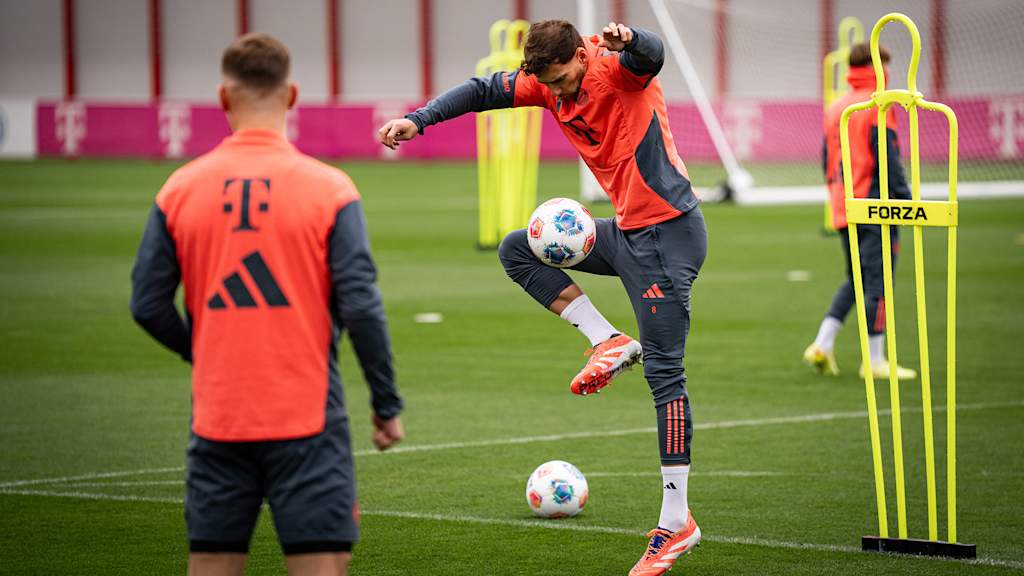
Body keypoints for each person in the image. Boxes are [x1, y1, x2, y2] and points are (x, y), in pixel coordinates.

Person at [377, 20, 704, 576]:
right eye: (547, 86)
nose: (556, 95)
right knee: (517, 250)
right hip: (627, 235)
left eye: (561, 81)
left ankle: (677, 523)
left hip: (669, 237)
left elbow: (652, 56)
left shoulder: (617, 71)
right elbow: (483, 91)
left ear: (583, 54)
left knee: (666, 376)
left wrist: (632, 39)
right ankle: (608, 339)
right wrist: (419, 119)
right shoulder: (548, 81)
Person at [130, 33, 404, 576]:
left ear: (224, 98)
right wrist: (385, 404)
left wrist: (200, 349)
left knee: (211, 561)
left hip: (218, 417)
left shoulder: (179, 189)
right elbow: (361, 305)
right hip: (306, 418)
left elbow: (147, 303)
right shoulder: (330, 189)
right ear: (293, 95)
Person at [804, 42, 917, 380]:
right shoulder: (879, 104)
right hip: (874, 205)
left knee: (857, 279)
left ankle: (822, 343)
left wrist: (836, 194)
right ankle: (876, 360)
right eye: (887, 63)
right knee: (877, 282)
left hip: (843, 203)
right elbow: (887, 155)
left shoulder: (837, 105)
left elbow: (826, 158)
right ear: (877, 66)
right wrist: (905, 200)